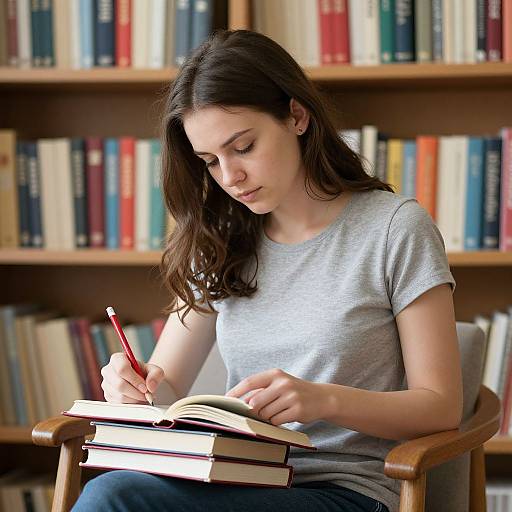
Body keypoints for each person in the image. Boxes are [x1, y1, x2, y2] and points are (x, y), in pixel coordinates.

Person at [72, 29, 462, 512]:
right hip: (238, 478)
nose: (230, 177)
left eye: (244, 147)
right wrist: (134, 385)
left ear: (296, 116)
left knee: (119, 498)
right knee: (114, 491)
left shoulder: (393, 228)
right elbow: (166, 386)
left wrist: (324, 400)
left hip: (346, 491)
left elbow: (440, 405)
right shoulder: (220, 238)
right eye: (210, 161)